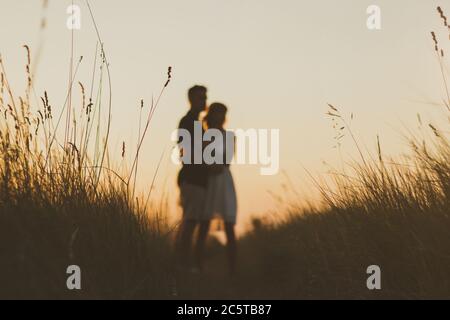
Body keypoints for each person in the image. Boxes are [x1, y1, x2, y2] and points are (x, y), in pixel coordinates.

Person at [175, 85, 210, 272]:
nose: (204, 101)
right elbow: (185, 150)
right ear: (191, 100)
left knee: (191, 221)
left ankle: (183, 263)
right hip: (192, 179)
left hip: (198, 179)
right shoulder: (187, 121)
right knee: (190, 222)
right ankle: (183, 265)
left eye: (205, 97)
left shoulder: (198, 123)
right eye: (200, 98)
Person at [202, 103, 238, 275]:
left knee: (229, 223)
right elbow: (205, 160)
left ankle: (233, 269)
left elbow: (226, 160)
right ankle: (198, 265)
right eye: (218, 113)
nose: (221, 116)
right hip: (209, 181)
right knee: (204, 222)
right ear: (212, 115)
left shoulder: (230, 136)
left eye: (223, 113)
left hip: (223, 179)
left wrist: (213, 162)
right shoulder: (205, 135)